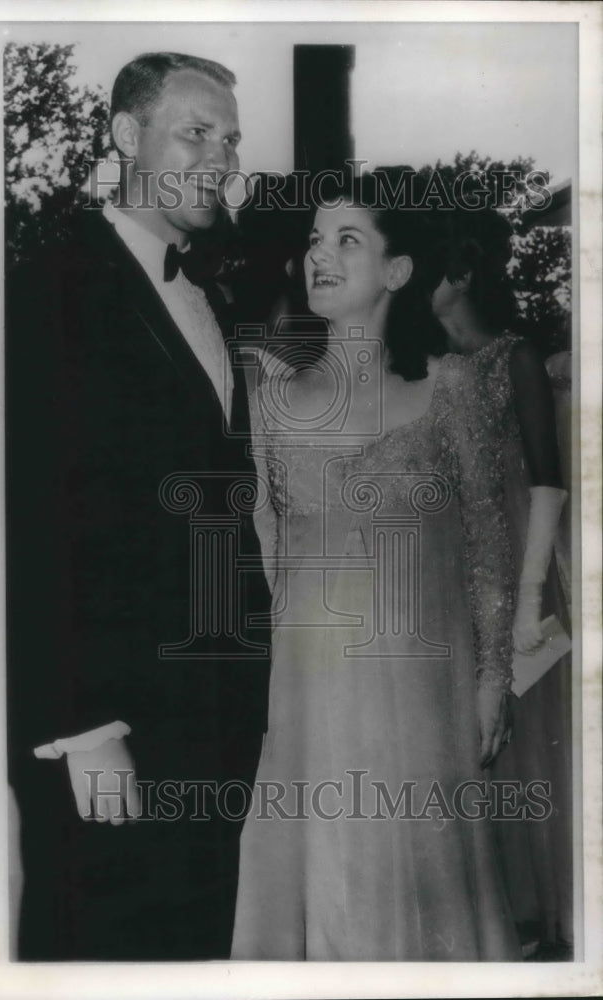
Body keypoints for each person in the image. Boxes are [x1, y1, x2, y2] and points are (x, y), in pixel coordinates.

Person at [5, 52, 271, 961]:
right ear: (126, 135)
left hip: (214, 716)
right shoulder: (52, 285)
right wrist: (82, 727)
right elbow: (37, 519)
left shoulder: (209, 298)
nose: (220, 158)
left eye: (230, 140)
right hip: (113, 722)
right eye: (196, 132)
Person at [231, 170, 522, 961]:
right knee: (327, 882)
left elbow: (489, 545)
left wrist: (493, 679)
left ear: (396, 271)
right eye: (314, 240)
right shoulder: (267, 397)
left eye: (347, 240)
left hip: (426, 699)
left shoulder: (452, 390)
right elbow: (264, 540)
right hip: (308, 694)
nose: (319, 255)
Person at [429, 205, 572, 956]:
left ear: (460, 275)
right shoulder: (423, 364)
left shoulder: (516, 356)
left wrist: (530, 598)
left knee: (523, 739)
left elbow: (549, 484)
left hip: (519, 565)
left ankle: (535, 921)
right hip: (449, 565)